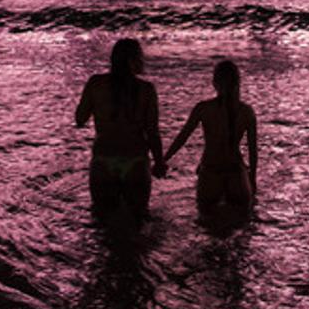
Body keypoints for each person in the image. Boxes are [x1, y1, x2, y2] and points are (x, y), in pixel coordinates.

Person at [75, 38, 166, 221]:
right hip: (136, 161)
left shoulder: (95, 83)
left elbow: (80, 120)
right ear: (134, 60)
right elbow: (152, 132)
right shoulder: (146, 89)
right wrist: (159, 162)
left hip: (103, 159)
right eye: (140, 57)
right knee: (138, 221)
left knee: (102, 223)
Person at [163, 60, 257, 214]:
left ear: (215, 83)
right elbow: (253, 152)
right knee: (242, 226)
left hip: (210, 172)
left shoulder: (203, 109)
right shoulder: (247, 112)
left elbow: (182, 138)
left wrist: (163, 160)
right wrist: (252, 179)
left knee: (207, 225)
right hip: (236, 174)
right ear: (238, 82)